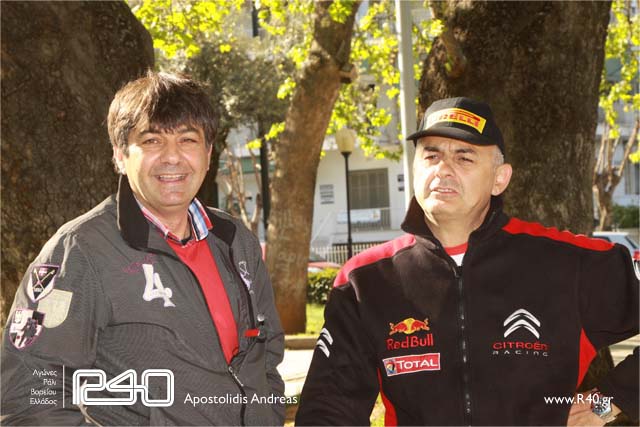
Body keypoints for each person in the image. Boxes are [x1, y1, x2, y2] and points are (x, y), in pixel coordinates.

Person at [295, 97, 639, 426]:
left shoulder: (568, 263)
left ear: (499, 178)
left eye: (464, 158)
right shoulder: (366, 281)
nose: (443, 169)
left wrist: (608, 401)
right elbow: (329, 405)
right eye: (431, 155)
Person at [2, 71, 285, 425]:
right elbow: (29, 396)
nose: (172, 157)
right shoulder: (80, 251)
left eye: (187, 139)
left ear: (208, 153)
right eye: (151, 140)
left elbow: (267, 357)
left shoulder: (235, 240)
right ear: (120, 155)